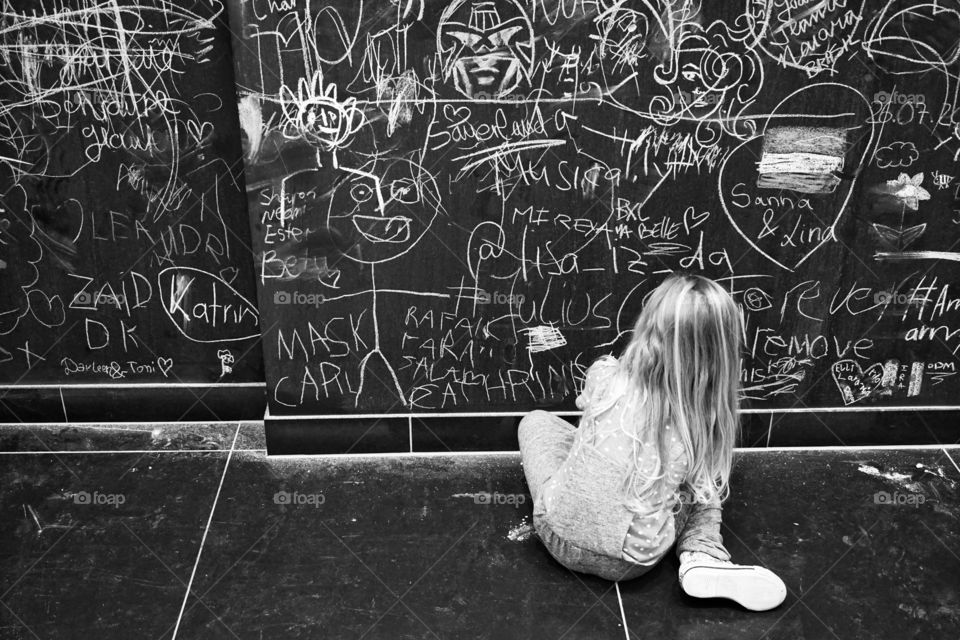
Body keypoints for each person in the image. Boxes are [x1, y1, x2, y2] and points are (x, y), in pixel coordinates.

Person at [518, 273, 787, 611]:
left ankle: (586, 485)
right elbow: (698, 484)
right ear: (722, 349)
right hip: (633, 561)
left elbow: (584, 409)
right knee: (704, 488)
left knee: (538, 421)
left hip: (558, 535)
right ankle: (702, 554)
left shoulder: (604, 374)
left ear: (648, 325)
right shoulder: (700, 421)